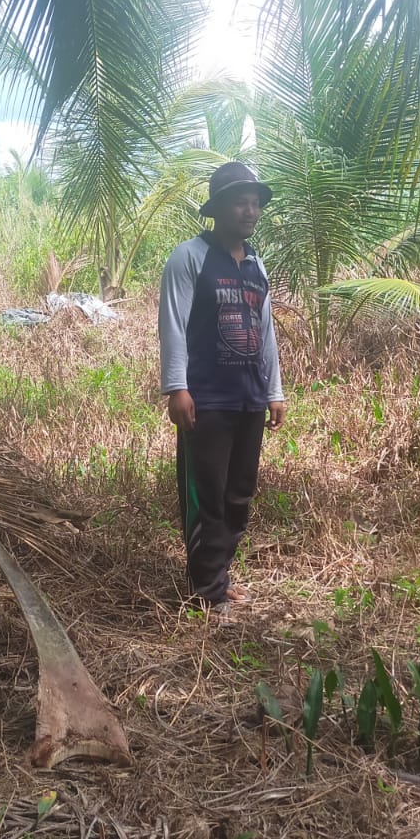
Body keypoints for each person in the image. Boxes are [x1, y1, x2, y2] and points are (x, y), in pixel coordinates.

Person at [158, 161, 288, 621]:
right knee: (205, 493)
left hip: (250, 398)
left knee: (239, 493)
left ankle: (218, 576)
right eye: (241, 202)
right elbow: (172, 326)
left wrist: (275, 391)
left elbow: (266, 331)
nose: (250, 210)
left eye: (255, 203)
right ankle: (206, 590)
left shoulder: (256, 265)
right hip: (207, 399)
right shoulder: (189, 258)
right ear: (217, 209)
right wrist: (177, 387)